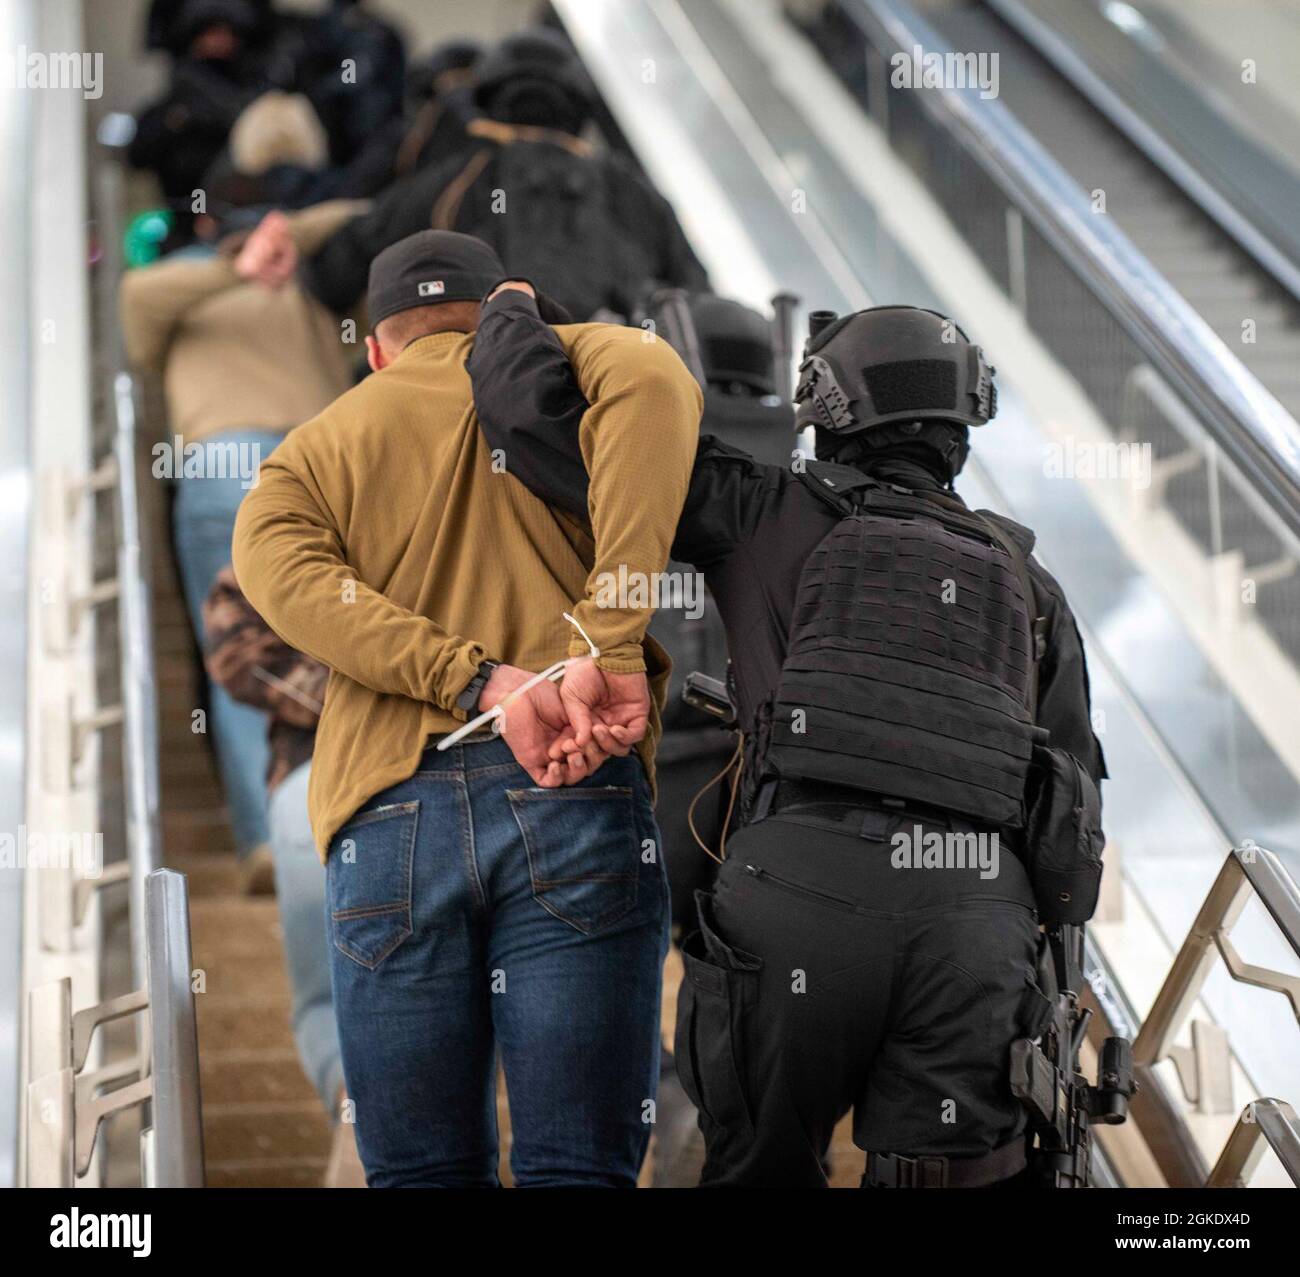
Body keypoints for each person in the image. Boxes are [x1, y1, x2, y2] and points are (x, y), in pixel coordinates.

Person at [467, 288, 1108, 1188]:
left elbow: (539, 429)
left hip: (797, 891)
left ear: (827, 407)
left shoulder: (756, 508)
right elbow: (1071, 811)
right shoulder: (1027, 581)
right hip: (976, 918)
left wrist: (514, 313)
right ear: (964, 419)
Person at [231, 230, 702, 1187]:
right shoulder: (567, 379)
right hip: (571, 799)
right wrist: (602, 639)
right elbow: (656, 372)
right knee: (578, 1167)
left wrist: (473, 680)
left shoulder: (314, 451)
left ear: (374, 347)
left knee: (419, 1175)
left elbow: (275, 570)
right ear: (505, 318)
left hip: (385, 815)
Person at [120, 200, 368, 891]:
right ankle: (340, 820)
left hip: (224, 467)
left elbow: (135, 295)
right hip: (321, 465)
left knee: (237, 652)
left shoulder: (174, 294)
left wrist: (255, 251)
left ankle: (269, 837)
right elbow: (369, 209)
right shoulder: (319, 286)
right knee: (339, 641)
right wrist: (279, 241)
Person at [300, 27, 707, 323]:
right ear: (581, 107)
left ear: (490, 100)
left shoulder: (461, 175)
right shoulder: (631, 190)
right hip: (612, 393)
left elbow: (337, 272)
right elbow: (696, 295)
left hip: (481, 398)